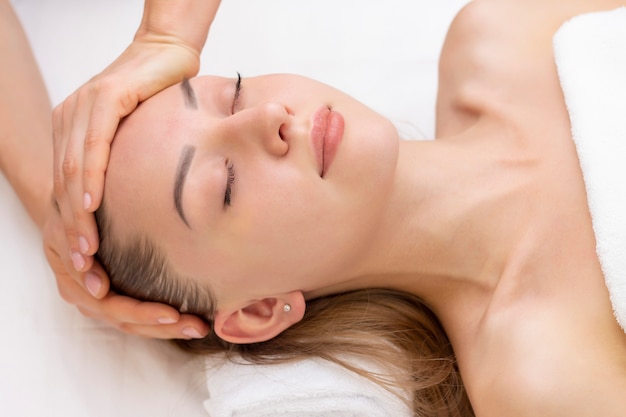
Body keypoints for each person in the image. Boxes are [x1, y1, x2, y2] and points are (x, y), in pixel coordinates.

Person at [43, 0, 626, 416]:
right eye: (224, 184)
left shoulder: (500, 37)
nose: (267, 119)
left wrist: (166, 36)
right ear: (260, 310)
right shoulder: (540, 376)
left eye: (235, 92)